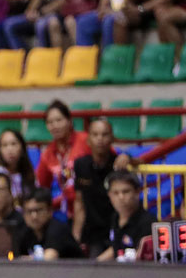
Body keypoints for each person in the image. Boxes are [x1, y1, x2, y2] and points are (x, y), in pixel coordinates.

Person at [72, 118, 122, 258]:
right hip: (93, 233)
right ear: (88, 140)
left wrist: (129, 159)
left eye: (105, 134)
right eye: (95, 134)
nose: (100, 139)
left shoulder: (120, 164)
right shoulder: (80, 165)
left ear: (112, 138)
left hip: (116, 229)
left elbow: (141, 162)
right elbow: (79, 202)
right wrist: (76, 235)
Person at [36, 100, 90, 216]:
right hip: (70, 212)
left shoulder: (86, 141)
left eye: (59, 120)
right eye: (50, 122)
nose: (54, 126)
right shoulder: (48, 154)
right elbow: (42, 188)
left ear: (69, 121)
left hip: (94, 206)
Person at [98, 171, 154, 261]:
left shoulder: (148, 223)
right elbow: (115, 248)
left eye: (126, 191)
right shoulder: (115, 217)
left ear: (137, 192)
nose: (121, 197)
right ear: (109, 195)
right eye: (115, 193)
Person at [15, 188, 82, 260]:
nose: (34, 216)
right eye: (29, 211)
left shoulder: (58, 229)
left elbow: (49, 259)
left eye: (38, 210)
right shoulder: (25, 231)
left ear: (50, 211)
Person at [0, 128, 36, 202]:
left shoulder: (31, 174)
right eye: (4, 145)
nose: (9, 149)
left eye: (13, 144)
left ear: (22, 147)